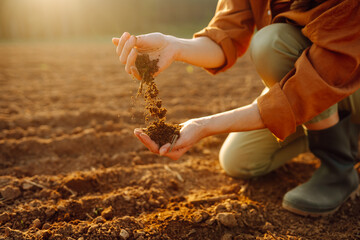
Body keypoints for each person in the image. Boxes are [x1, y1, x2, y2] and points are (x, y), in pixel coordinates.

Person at [112, 0, 360, 217]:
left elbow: (315, 82)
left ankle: (337, 169)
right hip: (302, 86)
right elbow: (225, 36)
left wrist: (206, 125)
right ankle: (343, 131)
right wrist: (174, 46)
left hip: (348, 79)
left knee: (271, 44)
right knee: (240, 160)